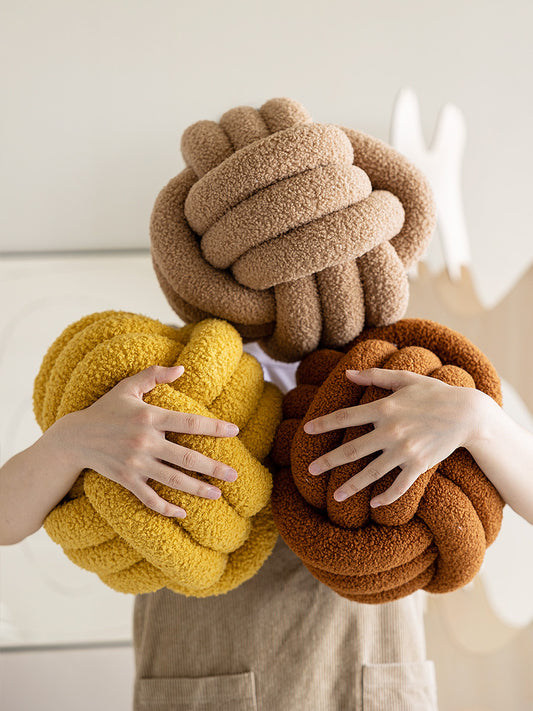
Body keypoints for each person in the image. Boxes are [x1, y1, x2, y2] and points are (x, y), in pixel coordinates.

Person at [1, 339, 532, 710]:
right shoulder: (151, 376)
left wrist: (478, 420)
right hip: (199, 682)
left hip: (372, 677)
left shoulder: (411, 380)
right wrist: (68, 442)